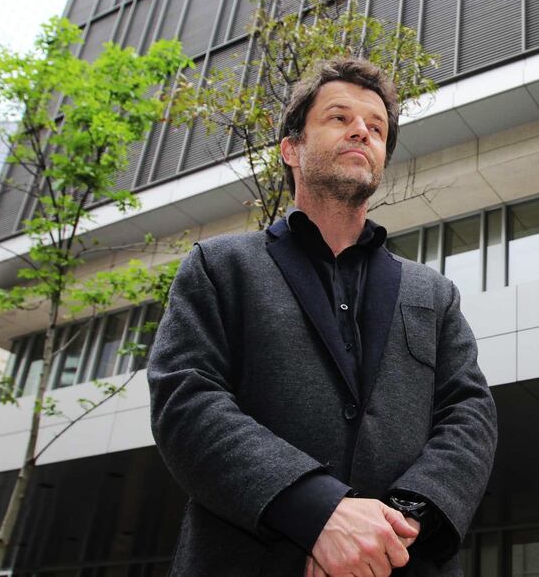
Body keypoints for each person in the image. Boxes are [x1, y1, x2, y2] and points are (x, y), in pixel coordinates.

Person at [148, 58, 497, 576]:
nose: (362, 130)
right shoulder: (219, 266)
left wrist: (393, 525)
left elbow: (469, 413)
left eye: (376, 128)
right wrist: (317, 513)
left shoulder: (435, 292)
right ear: (292, 148)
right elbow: (186, 397)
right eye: (339, 117)